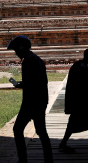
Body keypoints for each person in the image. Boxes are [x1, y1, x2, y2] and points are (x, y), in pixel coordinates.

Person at [7, 35, 53, 163]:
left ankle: (23, 160)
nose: (16, 53)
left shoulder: (28, 61)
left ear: (22, 48)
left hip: (31, 102)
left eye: (16, 49)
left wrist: (21, 85)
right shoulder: (36, 59)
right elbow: (37, 81)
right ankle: (48, 160)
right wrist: (23, 84)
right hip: (40, 100)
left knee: (18, 129)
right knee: (42, 132)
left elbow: (31, 84)